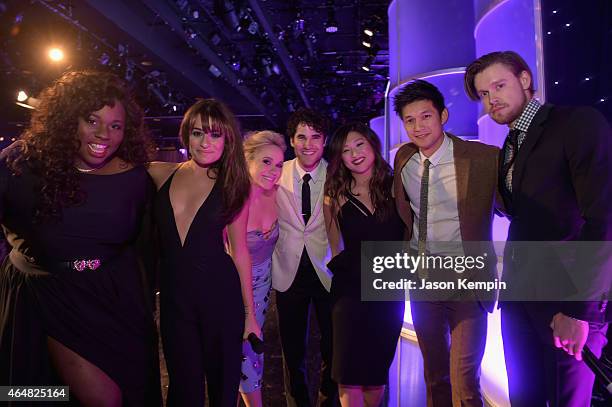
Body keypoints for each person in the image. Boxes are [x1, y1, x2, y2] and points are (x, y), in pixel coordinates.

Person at [0, 70, 161, 405]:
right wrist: (22, 261)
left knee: (127, 390)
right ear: (67, 119)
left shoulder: (133, 179)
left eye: (116, 126)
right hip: (52, 299)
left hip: (115, 303)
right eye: (92, 120)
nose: (104, 134)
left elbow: (145, 243)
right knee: (46, 395)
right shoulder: (22, 165)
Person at [465, 50, 612, 406]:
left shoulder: (575, 123)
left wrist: (581, 311)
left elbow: (604, 218)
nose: (491, 99)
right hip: (519, 301)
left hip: (569, 302)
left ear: (525, 80)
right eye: (484, 94)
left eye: (499, 86)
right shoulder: (510, 146)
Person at [392, 80, 501, 406]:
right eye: (409, 120)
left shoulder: (482, 158)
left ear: (443, 115)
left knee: (464, 380)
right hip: (424, 281)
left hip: (467, 282)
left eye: (425, 117)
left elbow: (514, 202)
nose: (418, 127)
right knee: (435, 376)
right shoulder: (404, 160)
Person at [148, 99, 260, 406]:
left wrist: (251, 316)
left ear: (227, 139)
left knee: (224, 387)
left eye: (214, 134)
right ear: (186, 135)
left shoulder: (234, 184)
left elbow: (239, 252)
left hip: (220, 297)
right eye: (198, 133)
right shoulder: (159, 174)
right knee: (183, 389)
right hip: (174, 299)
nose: (205, 142)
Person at [323, 123, 404, 406]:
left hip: (387, 291)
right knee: (348, 372)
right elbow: (336, 247)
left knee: (375, 372)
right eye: (345, 150)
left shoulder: (397, 185)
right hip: (350, 292)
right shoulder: (335, 194)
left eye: (359, 144)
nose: (354, 153)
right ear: (340, 158)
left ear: (372, 144)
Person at [272, 108, 338, 407]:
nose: (308, 144)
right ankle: (296, 402)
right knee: (292, 349)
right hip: (288, 270)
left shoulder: (337, 174)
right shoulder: (276, 172)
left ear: (324, 142)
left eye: (315, 137)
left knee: (332, 347)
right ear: (291, 140)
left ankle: (328, 400)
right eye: (302, 137)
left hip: (327, 269)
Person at [239, 130, 286, 407]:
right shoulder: (231, 200)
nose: (274, 171)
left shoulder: (279, 194)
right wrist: (247, 312)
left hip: (264, 290)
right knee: (245, 353)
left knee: (249, 353)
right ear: (248, 161)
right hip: (234, 289)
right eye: (266, 162)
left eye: (279, 164)